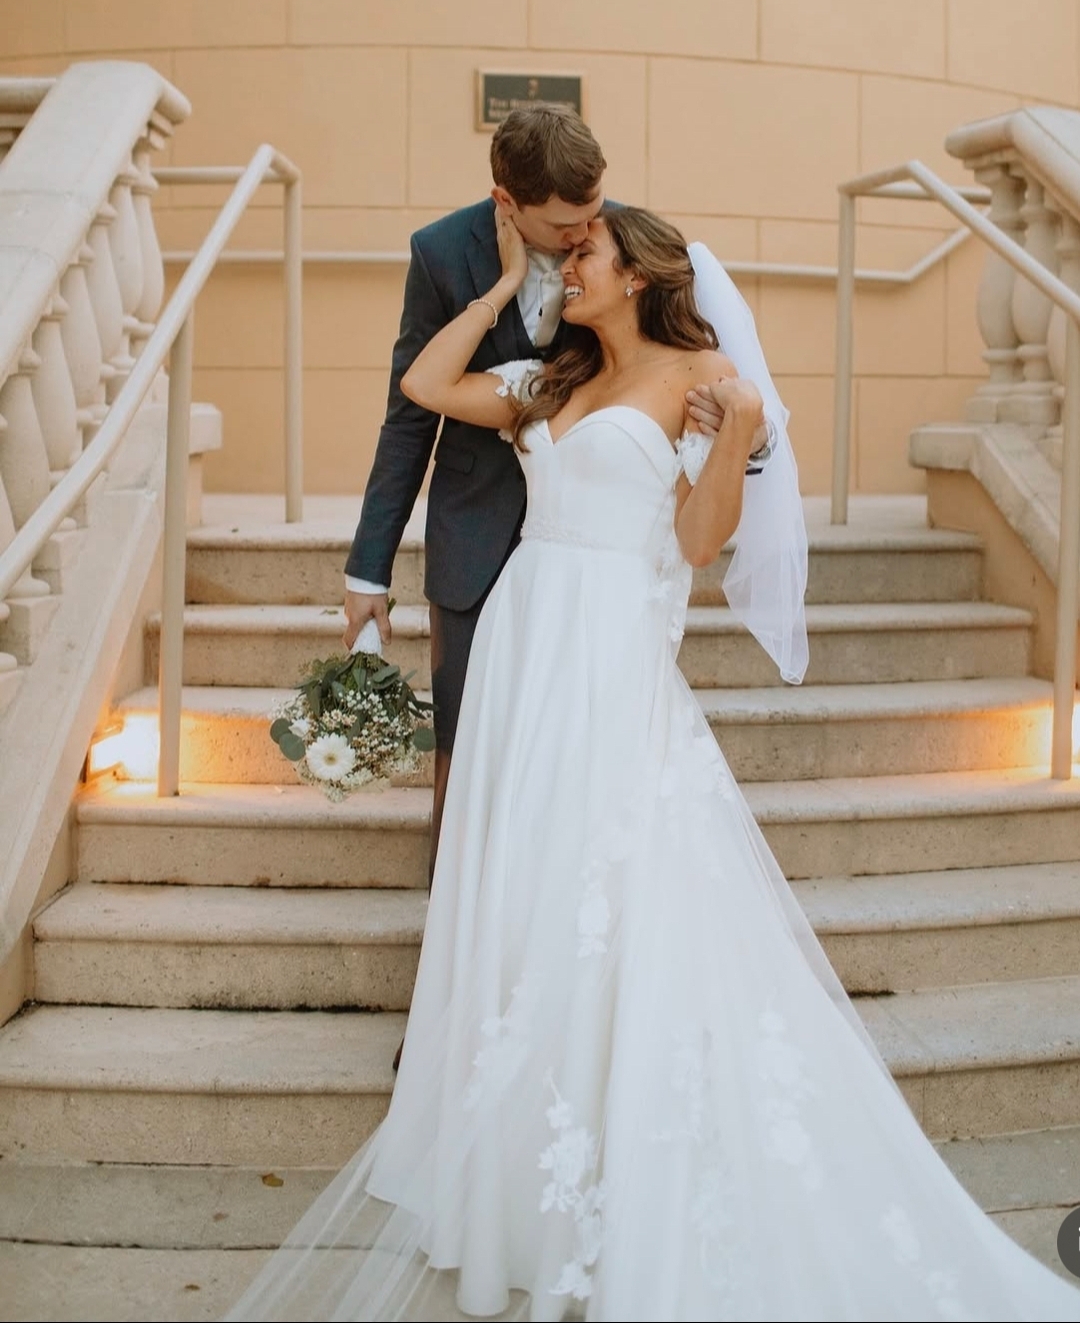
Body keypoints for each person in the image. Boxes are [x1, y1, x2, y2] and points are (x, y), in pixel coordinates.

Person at [228, 208, 1080, 1321]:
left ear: (637, 273)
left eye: (580, 254)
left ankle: (616, 1156)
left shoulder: (705, 372)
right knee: (527, 886)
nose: (563, 267)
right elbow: (430, 387)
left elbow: (695, 542)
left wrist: (732, 437)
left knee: (612, 891)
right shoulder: (545, 374)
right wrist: (496, 295)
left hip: (613, 649)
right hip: (528, 635)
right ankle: (517, 1160)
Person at [342, 104, 771, 883]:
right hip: (487, 553)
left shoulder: (620, 244)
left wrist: (748, 431)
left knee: (590, 776)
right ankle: (465, 937)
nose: (580, 241)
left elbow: (691, 393)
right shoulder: (443, 255)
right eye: (565, 225)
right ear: (507, 203)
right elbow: (412, 411)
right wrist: (368, 571)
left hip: (609, 566)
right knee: (468, 759)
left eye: (593, 220)